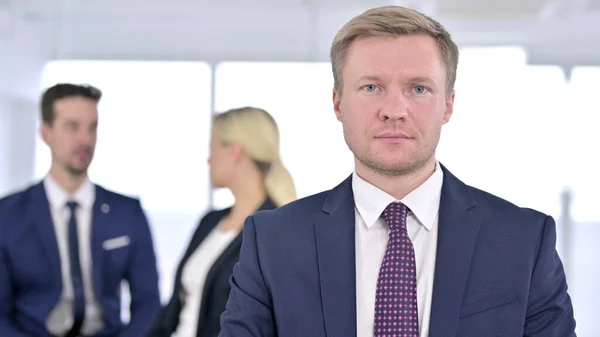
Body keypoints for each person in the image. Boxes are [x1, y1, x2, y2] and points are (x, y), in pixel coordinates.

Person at [218, 6, 576, 337]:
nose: (394, 110)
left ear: (448, 105)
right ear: (338, 103)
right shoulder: (273, 241)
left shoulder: (523, 240)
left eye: (418, 88)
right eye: (371, 87)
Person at [0, 83, 161, 337]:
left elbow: (148, 303)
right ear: (46, 133)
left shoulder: (127, 213)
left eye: (92, 127)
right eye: (72, 127)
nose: (85, 139)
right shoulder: (7, 216)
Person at [148, 107, 297, 337]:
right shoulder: (210, 222)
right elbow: (173, 310)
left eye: (213, 148)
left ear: (235, 151)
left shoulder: (278, 232)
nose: (209, 159)